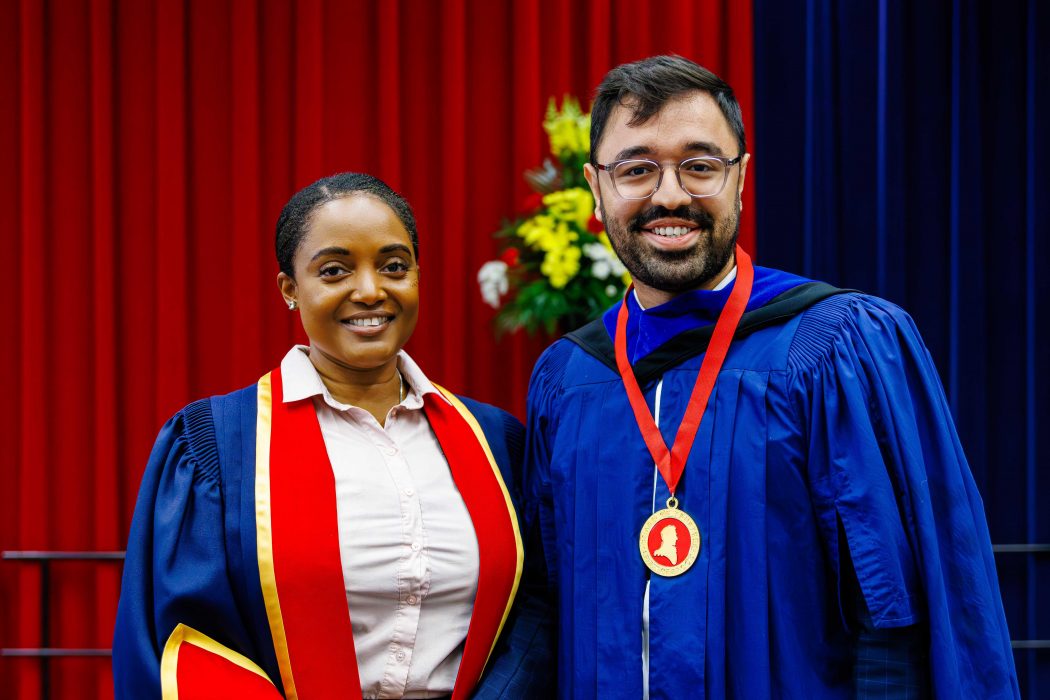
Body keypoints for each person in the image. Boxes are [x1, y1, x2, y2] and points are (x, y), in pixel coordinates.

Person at [525, 55, 1019, 698]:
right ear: (596, 188)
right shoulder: (568, 382)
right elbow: (541, 607)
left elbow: (893, 617)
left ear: (741, 178)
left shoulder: (836, 349)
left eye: (699, 166)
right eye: (636, 169)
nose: (669, 194)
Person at [114, 173, 551, 698]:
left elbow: (535, 613)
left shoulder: (493, 442)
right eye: (335, 270)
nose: (370, 291)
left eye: (394, 266)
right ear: (289, 289)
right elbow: (185, 644)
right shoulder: (219, 447)